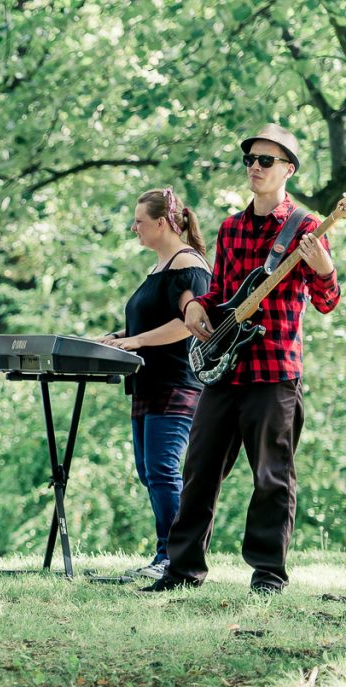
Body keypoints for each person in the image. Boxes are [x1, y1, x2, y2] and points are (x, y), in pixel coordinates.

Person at [144, 124, 338, 594]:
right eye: (251, 160)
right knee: (199, 470)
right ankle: (182, 570)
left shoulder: (308, 228)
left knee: (272, 476)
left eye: (266, 161)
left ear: (287, 169)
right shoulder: (230, 228)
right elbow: (220, 295)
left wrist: (322, 267)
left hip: (275, 372)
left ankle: (268, 575)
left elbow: (328, 299)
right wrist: (193, 307)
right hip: (224, 369)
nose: (255, 167)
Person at [99, 188, 211, 581]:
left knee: (163, 469)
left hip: (176, 383)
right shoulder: (160, 267)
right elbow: (148, 323)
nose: (134, 228)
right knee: (149, 471)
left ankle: (174, 558)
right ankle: (166, 552)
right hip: (148, 383)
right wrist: (119, 337)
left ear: (162, 223)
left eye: (139, 221)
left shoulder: (188, 266)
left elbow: (190, 323)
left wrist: (138, 340)